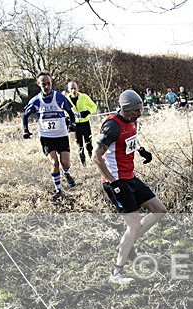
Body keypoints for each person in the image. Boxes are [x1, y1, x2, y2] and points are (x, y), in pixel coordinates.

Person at [92, 90, 167, 285]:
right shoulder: (111, 126)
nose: (140, 113)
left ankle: (128, 242)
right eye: (136, 110)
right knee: (134, 226)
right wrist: (112, 181)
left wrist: (142, 151)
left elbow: (130, 138)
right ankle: (117, 271)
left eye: (140, 109)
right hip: (117, 180)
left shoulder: (132, 120)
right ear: (126, 109)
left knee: (159, 210)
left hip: (130, 177)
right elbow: (96, 157)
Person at [22, 71, 77, 201]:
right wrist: (25, 130)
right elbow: (25, 115)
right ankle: (58, 190)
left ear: (51, 83)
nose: (46, 87)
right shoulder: (36, 101)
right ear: (38, 84)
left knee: (65, 162)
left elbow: (71, 112)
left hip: (61, 135)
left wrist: (72, 124)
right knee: (54, 162)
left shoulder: (59, 97)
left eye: (48, 83)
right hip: (46, 137)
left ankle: (66, 173)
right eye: (43, 84)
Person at [65, 80, 98, 166]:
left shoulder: (84, 97)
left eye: (75, 88)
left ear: (78, 88)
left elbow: (94, 107)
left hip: (85, 123)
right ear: (68, 89)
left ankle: (93, 161)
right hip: (75, 126)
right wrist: (68, 120)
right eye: (71, 89)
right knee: (79, 145)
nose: (73, 91)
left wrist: (87, 112)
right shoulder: (66, 99)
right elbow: (64, 111)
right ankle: (83, 164)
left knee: (89, 144)